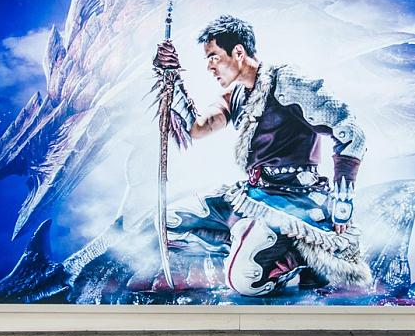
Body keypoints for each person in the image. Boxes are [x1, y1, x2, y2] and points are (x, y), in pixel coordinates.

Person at [153, 15, 373, 297]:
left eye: (213, 57)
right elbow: (198, 127)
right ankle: (247, 242)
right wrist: (171, 78)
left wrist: (343, 203)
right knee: (168, 221)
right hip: (253, 196)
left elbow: (350, 130)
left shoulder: (287, 81)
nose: (209, 66)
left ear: (238, 52)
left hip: (296, 203)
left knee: (245, 281)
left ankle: (298, 258)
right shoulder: (236, 95)